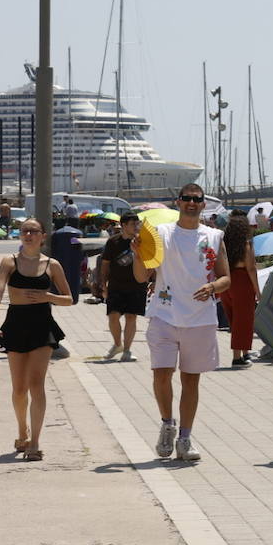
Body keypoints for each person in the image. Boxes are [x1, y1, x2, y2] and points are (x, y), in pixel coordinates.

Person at [132, 183, 231, 462]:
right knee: (161, 374)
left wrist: (212, 288)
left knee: (191, 380)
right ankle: (167, 424)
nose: (191, 203)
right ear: (178, 202)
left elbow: (225, 278)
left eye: (196, 199)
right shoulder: (161, 234)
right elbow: (142, 277)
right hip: (164, 314)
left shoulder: (213, 236)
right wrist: (139, 254)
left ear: (203, 204)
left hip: (200, 319)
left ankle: (185, 438)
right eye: (186, 199)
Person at [0, 218, 73, 461]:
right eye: (25, 231)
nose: (29, 234)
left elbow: (69, 298)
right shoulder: (9, 262)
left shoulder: (52, 265)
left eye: (34, 231)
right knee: (19, 389)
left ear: (43, 236)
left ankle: (34, 442)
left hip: (42, 326)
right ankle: (21, 431)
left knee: (37, 385)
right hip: (15, 325)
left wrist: (47, 296)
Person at [99, 212, 146, 361]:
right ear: (124, 225)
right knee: (113, 316)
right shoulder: (113, 242)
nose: (135, 227)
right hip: (115, 286)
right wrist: (103, 285)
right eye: (132, 224)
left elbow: (150, 262)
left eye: (137, 224)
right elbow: (105, 264)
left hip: (137, 286)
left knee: (131, 317)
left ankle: (127, 350)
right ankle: (117, 344)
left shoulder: (142, 242)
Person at [219, 215, 260, 368]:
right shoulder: (246, 244)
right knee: (244, 321)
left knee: (233, 320)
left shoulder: (224, 244)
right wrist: (258, 290)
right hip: (243, 283)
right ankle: (238, 358)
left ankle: (244, 353)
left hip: (227, 281)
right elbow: (251, 268)